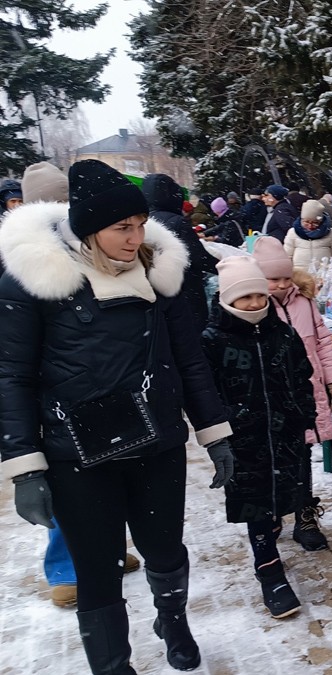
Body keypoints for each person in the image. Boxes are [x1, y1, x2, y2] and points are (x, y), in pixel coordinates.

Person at [0, 159, 235, 673]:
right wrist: (25, 466)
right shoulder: (33, 280)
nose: (135, 238)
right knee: (97, 570)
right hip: (77, 454)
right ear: (89, 228)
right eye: (121, 228)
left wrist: (215, 433)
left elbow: (189, 358)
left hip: (158, 443)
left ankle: (171, 619)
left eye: (139, 225)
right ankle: (112, 666)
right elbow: (11, 376)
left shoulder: (158, 270)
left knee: (165, 550)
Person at [10, 161, 143, 610]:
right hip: (58, 401)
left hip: (100, 398)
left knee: (102, 488)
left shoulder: (89, 237)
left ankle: (101, 551)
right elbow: (16, 362)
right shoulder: (26, 255)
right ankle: (66, 571)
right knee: (67, 492)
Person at [201, 256, 316, 619]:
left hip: (285, 432)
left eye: (258, 295)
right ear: (226, 298)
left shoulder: (281, 331)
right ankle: (269, 570)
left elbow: (302, 372)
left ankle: (281, 525)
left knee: (285, 492)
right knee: (256, 506)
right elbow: (205, 393)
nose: (253, 304)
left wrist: (304, 413)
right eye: (243, 297)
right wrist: (222, 430)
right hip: (243, 441)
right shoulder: (212, 340)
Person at [253, 237, 332, 550]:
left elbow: (323, 343)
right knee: (275, 459)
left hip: (305, 396)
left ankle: (305, 516)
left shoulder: (304, 301)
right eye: (272, 279)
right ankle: (276, 511)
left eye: (285, 278)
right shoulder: (252, 305)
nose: (280, 285)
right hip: (272, 399)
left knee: (303, 457)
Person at [142, 173, 220, 331]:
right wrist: (225, 267)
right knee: (192, 335)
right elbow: (197, 257)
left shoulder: (143, 221)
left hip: (155, 290)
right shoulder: (177, 222)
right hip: (185, 289)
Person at [285, 199, 332, 271]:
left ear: (321, 221)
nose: (310, 226)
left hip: (324, 276)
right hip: (300, 277)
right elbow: (286, 257)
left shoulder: (330, 233)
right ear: (301, 219)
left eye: (315, 222)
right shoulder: (293, 233)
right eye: (306, 222)